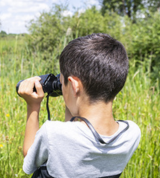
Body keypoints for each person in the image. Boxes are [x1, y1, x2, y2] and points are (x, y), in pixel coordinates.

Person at [17, 33, 141, 177]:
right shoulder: (132, 133)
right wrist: (68, 90)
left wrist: (33, 107)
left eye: (63, 82)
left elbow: (30, 159)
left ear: (74, 85)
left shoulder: (52, 133)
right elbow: (75, 134)